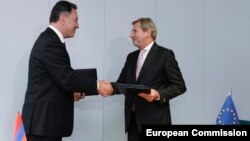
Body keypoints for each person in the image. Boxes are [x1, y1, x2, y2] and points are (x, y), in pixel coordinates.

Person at [21, 1, 112, 141]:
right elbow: (67, 79)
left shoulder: (50, 40)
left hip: (44, 124)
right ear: (63, 19)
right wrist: (98, 85)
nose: (78, 25)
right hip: (43, 125)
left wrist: (70, 94)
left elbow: (54, 82)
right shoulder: (51, 43)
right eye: (75, 20)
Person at [111, 17, 186, 141]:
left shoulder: (165, 55)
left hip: (156, 122)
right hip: (133, 122)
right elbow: (121, 84)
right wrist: (102, 87)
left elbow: (180, 86)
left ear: (147, 32)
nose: (131, 35)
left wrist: (158, 94)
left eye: (134, 31)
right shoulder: (131, 57)